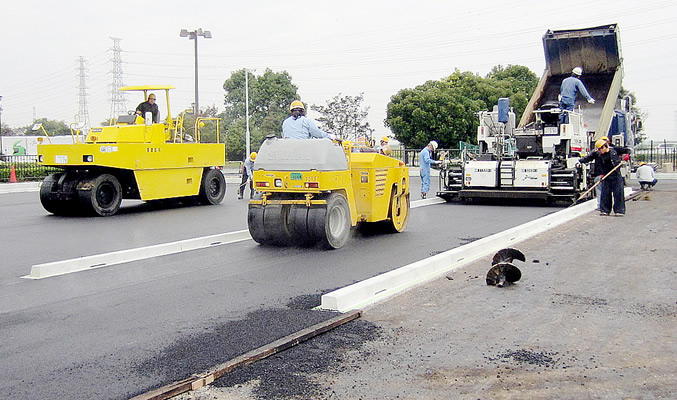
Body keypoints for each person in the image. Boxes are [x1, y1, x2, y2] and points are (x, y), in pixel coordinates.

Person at [579, 139, 631, 216]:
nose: (599, 151)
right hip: (606, 176)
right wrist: (580, 161)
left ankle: (619, 211)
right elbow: (588, 158)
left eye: (600, 149)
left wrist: (627, 155)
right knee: (605, 194)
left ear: (604, 147)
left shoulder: (615, 150)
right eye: (598, 149)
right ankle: (605, 210)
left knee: (618, 194)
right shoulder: (597, 154)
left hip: (616, 175)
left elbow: (628, 150)